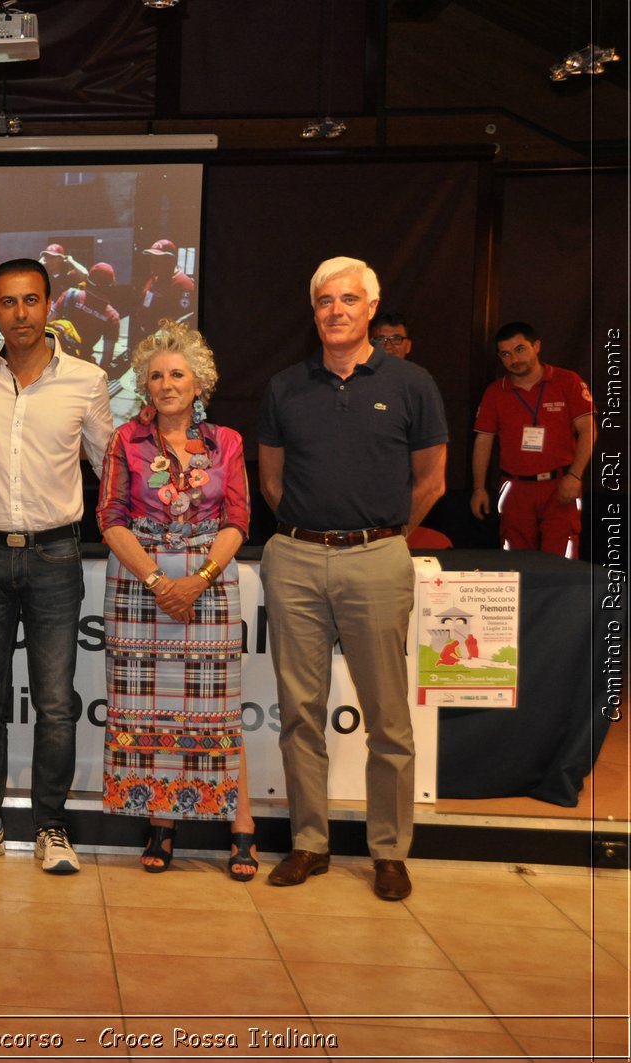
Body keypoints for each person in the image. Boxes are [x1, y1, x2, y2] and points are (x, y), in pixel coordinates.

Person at [258, 256, 447, 902]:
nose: (334, 310)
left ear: (371, 307)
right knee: (299, 712)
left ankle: (388, 850)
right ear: (312, 312)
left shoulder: (412, 382)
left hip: (378, 556)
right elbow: (273, 480)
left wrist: (383, 534)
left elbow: (431, 480)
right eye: (323, 301)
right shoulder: (286, 386)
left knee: (388, 718)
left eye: (347, 299)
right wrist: (314, 534)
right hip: (297, 558)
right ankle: (309, 842)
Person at [0, 258, 114, 875]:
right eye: (8, 302)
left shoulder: (88, 380)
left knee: (55, 701)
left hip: (55, 555)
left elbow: (111, 469)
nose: (20, 313)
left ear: (50, 305)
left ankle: (51, 827)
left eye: (31, 301)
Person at [96, 319, 256, 880]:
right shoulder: (125, 441)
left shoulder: (227, 442)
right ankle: (160, 823)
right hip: (141, 588)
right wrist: (161, 583)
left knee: (216, 712)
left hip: (209, 588)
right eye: (156, 375)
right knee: (146, 713)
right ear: (145, 385)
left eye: (178, 374)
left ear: (198, 384)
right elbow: (109, 520)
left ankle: (242, 826)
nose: (166, 384)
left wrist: (199, 578)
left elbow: (238, 520)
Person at [470, 321, 595, 558]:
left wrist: (575, 475)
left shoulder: (566, 380)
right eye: (506, 354)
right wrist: (478, 488)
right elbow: (483, 441)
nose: (514, 359)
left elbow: (589, 430)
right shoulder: (496, 391)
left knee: (561, 559)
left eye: (520, 349)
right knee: (515, 560)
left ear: (536, 346)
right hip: (514, 487)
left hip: (560, 484)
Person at [138, 239, 196, 324]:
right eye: (151, 259)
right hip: (147, 333)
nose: (152, 264)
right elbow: (146, 301)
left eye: (157, 260)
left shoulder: (183, 284)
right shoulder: (155, 278)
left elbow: (182, 320)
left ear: (170, 261)